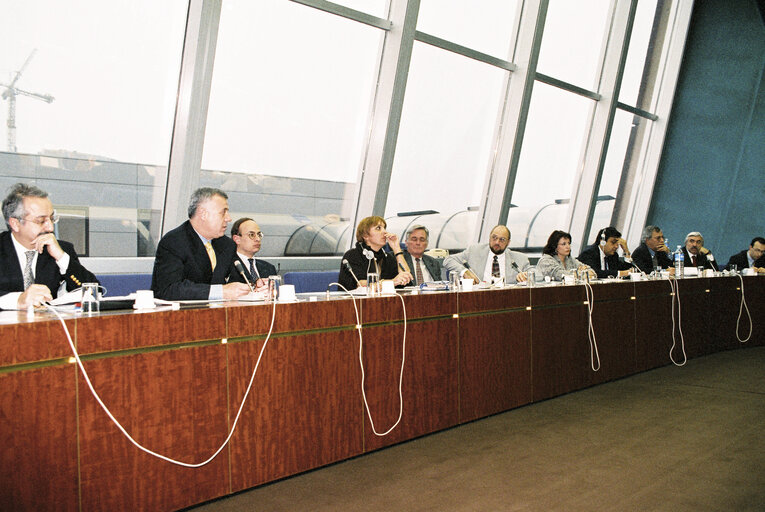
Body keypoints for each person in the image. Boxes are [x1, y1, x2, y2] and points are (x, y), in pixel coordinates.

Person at [0, 183, 99, 309]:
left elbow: (94, 292)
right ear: (15, 224)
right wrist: (18, 300)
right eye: (41, 221)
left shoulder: (60, 249)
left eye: (52, 219)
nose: (50, 227)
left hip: (50, 326)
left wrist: (61, 257)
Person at [151, 187, 251, 300]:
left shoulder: (226, 245)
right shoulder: (174, 242)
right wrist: (221, 292)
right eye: (223, 213)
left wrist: (257, 285)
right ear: (203, 214)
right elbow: (169, 289)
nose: (229, 218)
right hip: (182, 315)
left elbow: (240, 280)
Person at [338, 216, 412, 290]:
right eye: (378, 228)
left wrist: (396, 248)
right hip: (354, 300)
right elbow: (362, 285)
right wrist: (392, 282)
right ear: (365, 235)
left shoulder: (387, 257)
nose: (385, 232)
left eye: (384, 228)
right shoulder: (352, 255)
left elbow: (406, 278)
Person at [443, 225, 530, 284]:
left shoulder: (520, 258)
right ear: (489, 237)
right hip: (480, 298)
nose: (497, 242)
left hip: (508, 299)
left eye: (502, 239)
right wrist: (464, 271)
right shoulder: (474, 251)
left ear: (508, 242)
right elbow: (448, 260)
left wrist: (526, 275)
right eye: (494, 238)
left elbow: (537, 274)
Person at [231, 217, 276, 289]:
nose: (257, 239)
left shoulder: (269, 268)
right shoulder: (227, 267)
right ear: (237, 239)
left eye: (259, 235)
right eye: (251, 235)